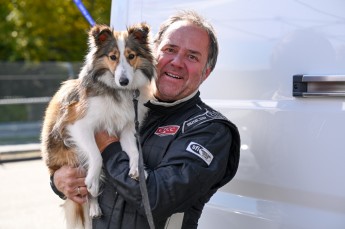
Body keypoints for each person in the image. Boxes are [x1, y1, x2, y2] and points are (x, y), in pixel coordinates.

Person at [51, 10, 240, 229]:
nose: (177, 62)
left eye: (192, 56)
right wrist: (59, 180)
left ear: (206, 72)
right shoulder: (125, 103)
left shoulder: (211, 130)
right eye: (170, 49)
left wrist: (108, 146)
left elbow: (158, 199)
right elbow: (68, 149)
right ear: (154, 53)